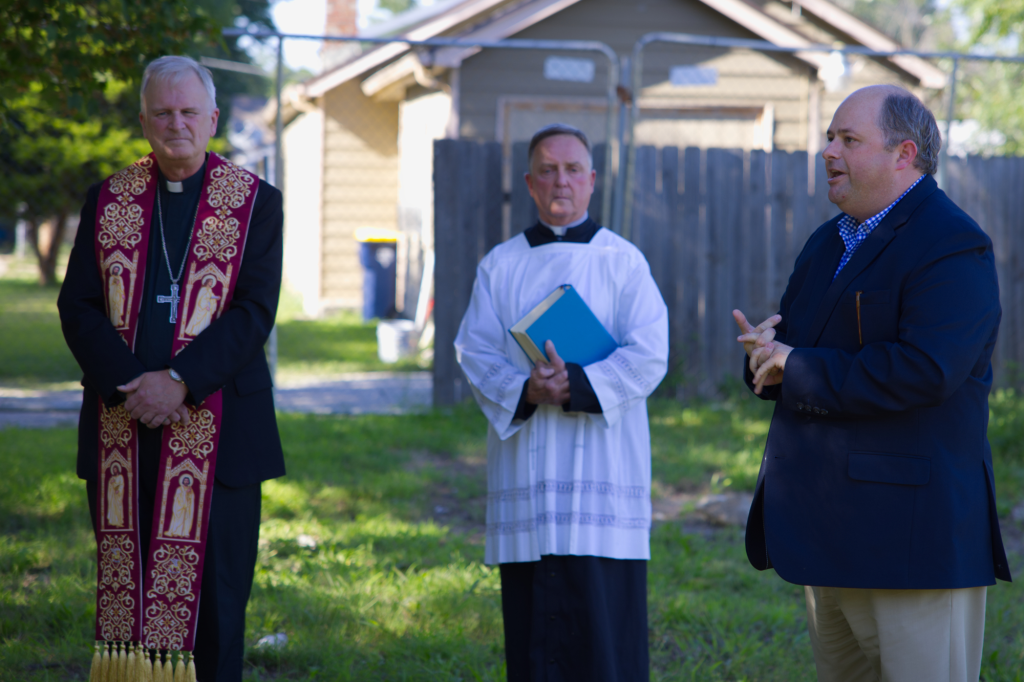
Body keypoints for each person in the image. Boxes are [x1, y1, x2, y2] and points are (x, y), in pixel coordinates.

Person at [733, 85, 1010, 682]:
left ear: (903, 153)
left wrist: (797, 365)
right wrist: (766, 357)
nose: (828, 150)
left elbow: (927, 369)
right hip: (826, 526)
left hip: (909, 539)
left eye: (847, 139)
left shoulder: (951, 244)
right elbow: (800, 351)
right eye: (830, 136)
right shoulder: (828, 241)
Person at [58, 55, 284, 681]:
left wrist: (178, 381)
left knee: (216, 609)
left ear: (213, 118)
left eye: (189, 112)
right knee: (128, 600)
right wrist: (131, 386)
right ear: (143, 120)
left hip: (225, 430)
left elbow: (253, 312)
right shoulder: (107, 201)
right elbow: (76, 305)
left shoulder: (257, 203)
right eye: (163, 112)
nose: (176, 123)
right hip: (124, 427)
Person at [455, 123, 668, 681]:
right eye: (547, 169)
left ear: (593, 180)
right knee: (534, 634)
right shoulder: (500, 265)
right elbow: (475, 352)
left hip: (603, 468)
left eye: (573, 169)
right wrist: (526, 388)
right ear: (529, 182)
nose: (561, 181)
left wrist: (574, 384)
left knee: (603, 638)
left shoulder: (624, 262)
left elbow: (649, 354)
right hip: (528, 473)